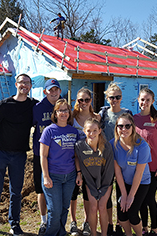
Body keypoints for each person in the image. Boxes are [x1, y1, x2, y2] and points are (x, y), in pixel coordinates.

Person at [0, 74, 38, 236]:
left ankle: (15, 224)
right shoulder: (5, 104)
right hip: (2, 154)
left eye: (28, 83)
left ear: (30, 86)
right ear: (16, 84)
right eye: (22, 82)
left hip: (20, 155)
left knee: (16, 193)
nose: (24, 85)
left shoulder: (33, 105)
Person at [134, 88, 157, 236]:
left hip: (154, 167)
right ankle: (144, 229)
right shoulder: (134, 119)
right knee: (141, 200)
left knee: (150, 198)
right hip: (139, 168)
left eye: (148, 100)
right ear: (138, 100)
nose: (145, 102)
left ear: (153, 101)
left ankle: (154, 229)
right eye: (142, 99)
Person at [40, 98, 81, 236]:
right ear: (55, 113)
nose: (63, 113)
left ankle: (61, 232)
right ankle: (51, 233)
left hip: (69, 176)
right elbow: (43, 156)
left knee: (64, 208)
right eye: (60, 110)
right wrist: (45, 176)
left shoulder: (74, 132)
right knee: (55, 210)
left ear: (69, 113)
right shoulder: (49, 131)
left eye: (66, 110)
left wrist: (79, 174)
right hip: (53, 176)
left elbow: (76, 156)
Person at [99, 82, 132, 236]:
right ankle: (110, 224)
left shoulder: (127, 114)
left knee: (121, 191)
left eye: (117, 97)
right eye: (111, 97)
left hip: (122, 157)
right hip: (106, 158)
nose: (115, 100)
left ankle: (120, 223)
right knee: (107, 192)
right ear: (107, 98)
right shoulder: (103, 114)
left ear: (121, 97)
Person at [111, 113, 151, 236]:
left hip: (141, 182)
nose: (124, 129)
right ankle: (128, 234)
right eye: (120, 126)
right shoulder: (113, 144)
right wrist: (124, 194)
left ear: (133, 127)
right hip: (123, 181)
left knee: (132, 213)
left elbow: (139, 173)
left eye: (127, 126)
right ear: (116, 128)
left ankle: (139, 234)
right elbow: (117, 171)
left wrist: (131, 196)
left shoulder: (142, 146)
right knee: (122, 214)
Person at [75, 118, 114, 236]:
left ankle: (104, 234)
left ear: (100, 131)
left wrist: (103, 187)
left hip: (105, 181)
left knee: (102, 207)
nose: (91, 133)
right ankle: (93, 233)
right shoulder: (80, 145)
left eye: (94, 130)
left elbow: (109, 170)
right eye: (88, 130)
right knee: (92, 207)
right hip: (90, 181)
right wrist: (79, 174)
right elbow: (77, 158)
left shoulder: (106, 147)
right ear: (84, 131)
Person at [70, 88, 101, 236]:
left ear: (91, 100)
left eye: (86, 100)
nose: (83, 103)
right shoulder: (72, 117)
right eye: (80, 100)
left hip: (91, 162)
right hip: (72, 160)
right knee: (73, 194)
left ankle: (87, 222)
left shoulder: (97, 118)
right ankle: (73, 222)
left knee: (88, 194)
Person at [32, 79, 62, 235]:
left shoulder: (63, 108)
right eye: (51, 90)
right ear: (45, 92)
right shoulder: (37, 108)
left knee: (59, 189)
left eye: (56, 89)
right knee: (41, 189)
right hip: (40, 155)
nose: (54, 92)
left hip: (59, 157)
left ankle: (58, 222)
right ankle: (44, 221)